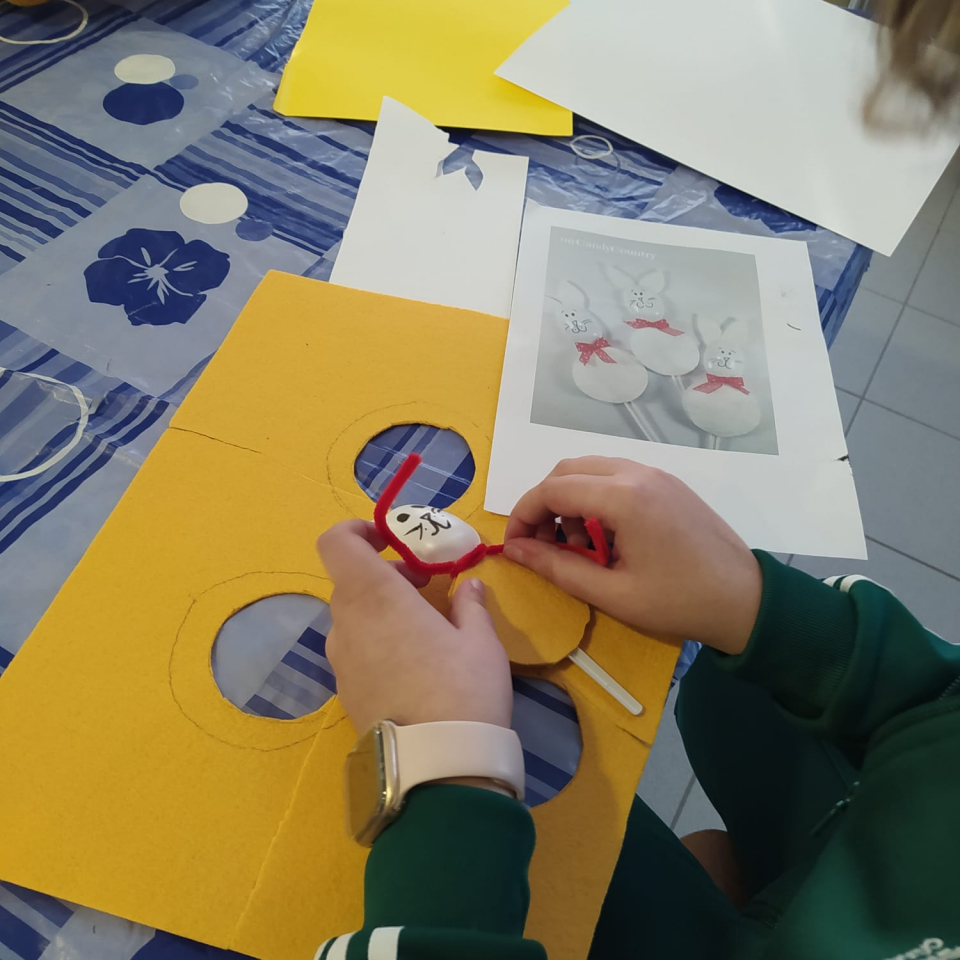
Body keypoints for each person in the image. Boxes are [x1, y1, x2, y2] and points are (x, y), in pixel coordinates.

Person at [316, 456, 960, 960]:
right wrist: (762, 607)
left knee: (567, 857)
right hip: (887, 818)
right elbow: (938, 700)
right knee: (714, 719)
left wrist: (442, 765)